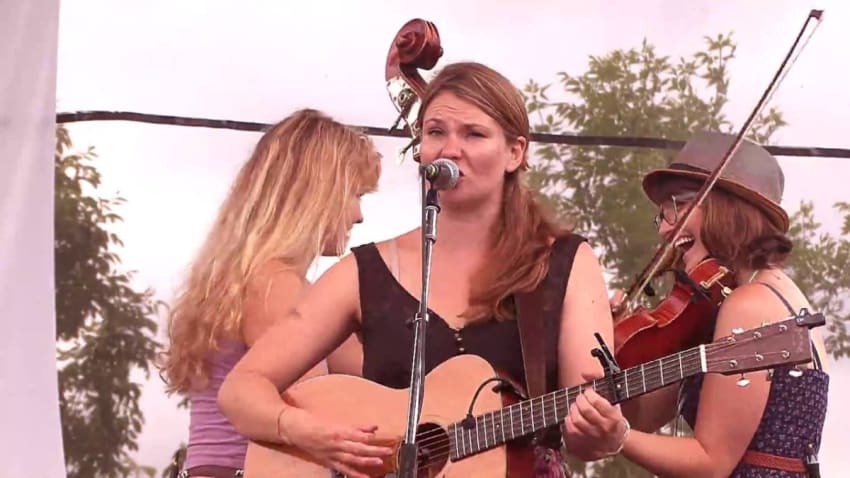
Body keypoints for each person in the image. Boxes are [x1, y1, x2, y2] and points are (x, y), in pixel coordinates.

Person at [217, 61, 628, 478]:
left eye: (474, 134)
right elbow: (241, 389)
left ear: (515, 153)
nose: (450, 149)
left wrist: (603, 433)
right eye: (435, 132)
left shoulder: (564, 262)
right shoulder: (365, 270)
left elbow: (586, 425)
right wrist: (305, 430)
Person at [584, 131, 830, 477]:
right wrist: (616, 354)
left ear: (726, 206)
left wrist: (619, 437)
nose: (666, 229)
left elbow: (711, 460)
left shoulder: (751, 304)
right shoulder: (739, 300)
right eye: (663, 214)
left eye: (678, 206)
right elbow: (645, 417)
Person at [159, 108, 382, 478]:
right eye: (355, 194)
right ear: (316, 194)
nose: (358, 215)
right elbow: (320, 407)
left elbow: (379, 377)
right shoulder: (276, 285)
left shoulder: (246, 278)